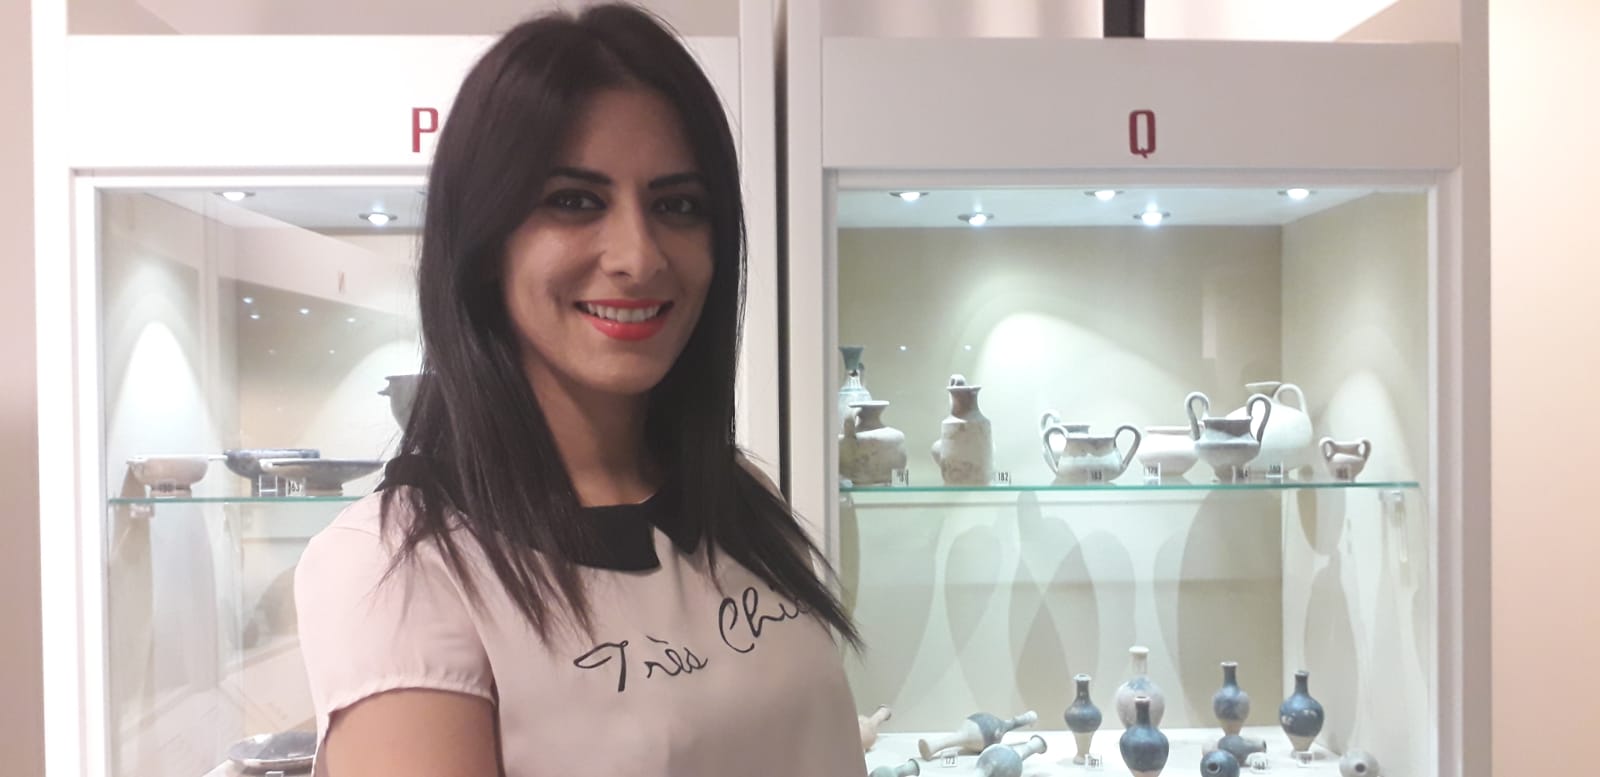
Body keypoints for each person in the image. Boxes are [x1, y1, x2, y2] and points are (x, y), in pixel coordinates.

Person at [293, 5, 865, 776]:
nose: (639, 255)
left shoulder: (739, 501)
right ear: (484, 241)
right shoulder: (395, 566)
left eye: (677, 205)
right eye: (574, 200)